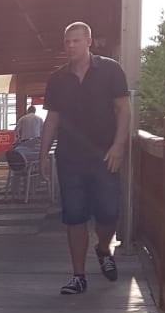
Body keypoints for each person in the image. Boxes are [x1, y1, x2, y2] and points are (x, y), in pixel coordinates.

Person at [39, 21, 130, 295]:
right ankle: (78, 276)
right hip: (70, 158)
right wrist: (43, 155)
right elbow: (52, 119)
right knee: (74, 216)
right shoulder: (57, 79)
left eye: (76, 41)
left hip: (105, 155)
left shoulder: (111, 70)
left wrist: (118, 146)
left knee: (109, 212)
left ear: (89, 42)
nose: (71, 46)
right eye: (67, 42)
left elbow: (123, 109)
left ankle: (103, 249)